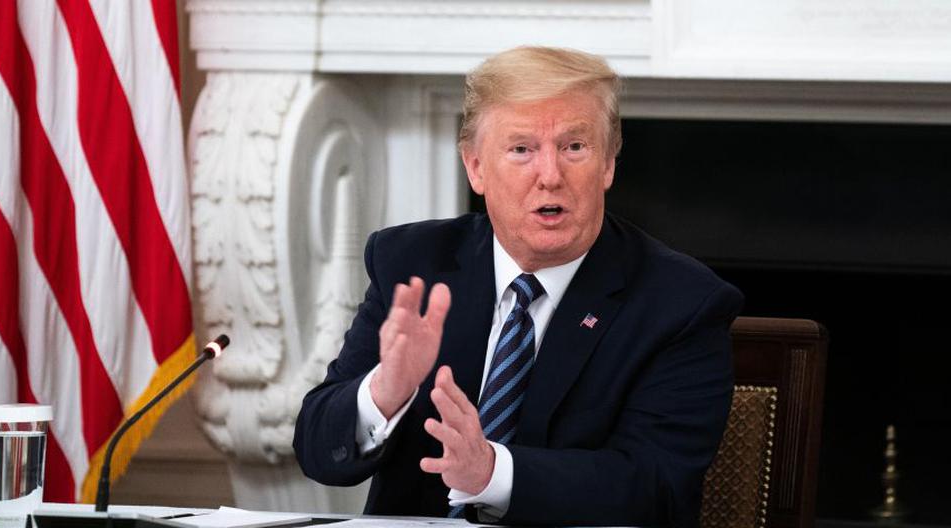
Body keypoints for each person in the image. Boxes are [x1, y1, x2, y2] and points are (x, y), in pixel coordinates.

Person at [294, 46, 743, 527]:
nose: (550, 176)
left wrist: (492, 473)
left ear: (608, 164)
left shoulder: (680, 303)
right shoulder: (413, 262)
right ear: (476, 168)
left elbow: (656, 485)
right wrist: (384, 391)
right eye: (522, 149)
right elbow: (319, 450)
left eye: (575, 147)